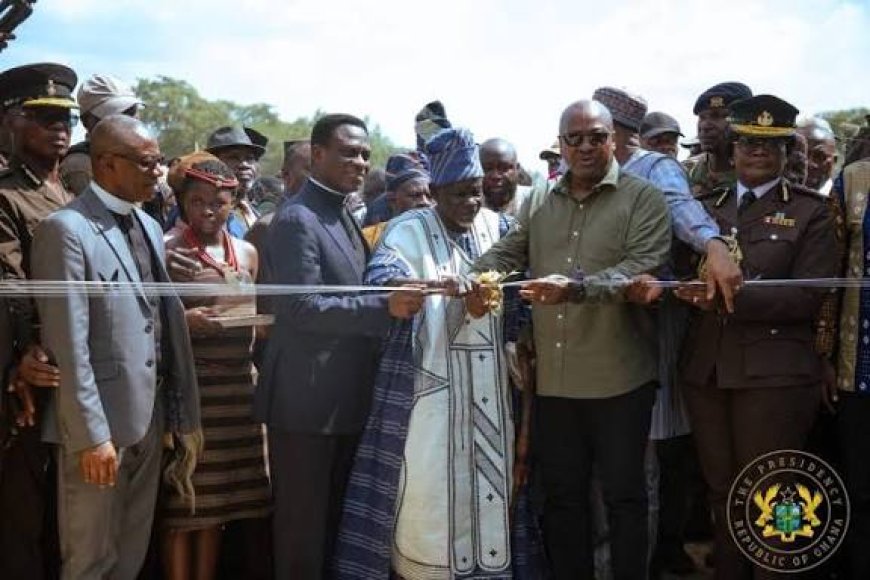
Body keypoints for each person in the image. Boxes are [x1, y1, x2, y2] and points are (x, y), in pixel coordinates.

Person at [469, 100, 672, 580]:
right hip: (556, 386)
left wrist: (575, 288)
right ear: (560, 144)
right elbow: (508, 250)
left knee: (624, 498)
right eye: (573, 138)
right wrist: (468, 278)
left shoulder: (642, 198)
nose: (584, 147)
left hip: (619, 380)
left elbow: (638, 269)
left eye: (596, 137)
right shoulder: (541, 198)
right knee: (563, 499)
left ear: (614, 140)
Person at [335, 126, 531, 579]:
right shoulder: (407, 230)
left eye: (477, 193)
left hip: (495, 398)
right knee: (428, 504)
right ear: (436, 192)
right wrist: (400, 290)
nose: (471, 203)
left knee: (493, 500)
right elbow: (383, 276)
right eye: (459, 194)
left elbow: (522, 290)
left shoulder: (499, 226)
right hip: (431, 399)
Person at [252, 113, 425, 579]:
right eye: (348, 151)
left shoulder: (342, 214)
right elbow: (302, 307)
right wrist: (384, 307)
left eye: (366, 154)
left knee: (331, 529)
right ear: (319, 155)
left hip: (343, 401)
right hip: (305, 404)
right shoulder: (297, 218)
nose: (360, 161)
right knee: (302, 536)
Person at [32, 115, 200, 580]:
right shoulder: (66, 230)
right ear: (107, 164)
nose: (159, 173)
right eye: (147, 163)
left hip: (149, 419)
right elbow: (68, 342)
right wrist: (91, 435)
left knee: (129, 557)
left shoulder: (146, 223)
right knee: (89, 561)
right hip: (98, 430)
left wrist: (177, 412)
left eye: (159, 162)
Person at [676, 95, 837, 580]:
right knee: (722, 490)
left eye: (771, 145)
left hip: (775, 376)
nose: (757, 152)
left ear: (788, 152)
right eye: (748, 142)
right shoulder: (707, 209)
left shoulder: (812, 212)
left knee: (772, 492)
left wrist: (727, 296)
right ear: (734, 146)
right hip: (708, 370)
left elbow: (807, 296)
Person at [593, 85, 742, 578]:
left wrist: (715, 246)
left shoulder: (655, 169)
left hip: (645, 327)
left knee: (643, 464)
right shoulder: (591, 175)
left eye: (596, 132)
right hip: (595, 329)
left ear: (615, 132)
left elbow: (686, 215)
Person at [161, 152, 271, 580]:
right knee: (185, 506)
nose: (209, 210)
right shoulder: (167, 249)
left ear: (234, 201)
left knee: (220, 508)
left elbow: (253, 308)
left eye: (219, 202)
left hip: (239, 393)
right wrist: (184, 324)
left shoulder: (246, 252)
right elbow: (146, 319)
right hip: (193, 392)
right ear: (183, 202)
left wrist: (268, 327)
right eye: (198, 201)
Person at [0, 61, 77, 580]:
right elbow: (11, 284)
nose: (58, 127)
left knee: (63, 520)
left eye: (65, 117)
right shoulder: (5, 194)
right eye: (42, 116)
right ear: (11, 121)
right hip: (28, 380)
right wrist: (24, 354)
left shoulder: (72, 196)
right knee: (20, 521)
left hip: (77, 375)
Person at [833, 119, 870, 579]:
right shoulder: (853, 180)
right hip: (858, 366)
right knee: (861, 491)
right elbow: (830, 277)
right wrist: (826, 358)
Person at [60, 73, 143, 195]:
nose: (127, 122)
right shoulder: (81, 166)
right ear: (86, 122)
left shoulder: (138, 159)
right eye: (116, 116)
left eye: (131, 112)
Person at [683, 82, 753, 197]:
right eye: (702, 117)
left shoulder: (759, 177)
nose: (705, 126)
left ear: (743, 121)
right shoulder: (686, 173)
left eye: (717, 116)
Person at [205, 125, 267, 237]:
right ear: (213, 164)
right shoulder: (204, 213)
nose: (244, 165)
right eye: (233, 157)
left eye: (249, 158)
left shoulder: (252, 211)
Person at [361, 151, 432, 247]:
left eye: (429, 196)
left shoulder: (443, 237)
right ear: (392, 199)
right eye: (415, 195)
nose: (425, 202)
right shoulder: (369, 241)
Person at [480, 137, 532, 216]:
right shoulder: (469, 209)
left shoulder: (534, 203)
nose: (495, 176)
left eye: (504, 168)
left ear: (517, 169)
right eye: (487, 169)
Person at [798, 116, 838, 194]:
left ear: (834, 161)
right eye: (802, 154)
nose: (809, 164)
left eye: (819, 157)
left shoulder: (844, 201)